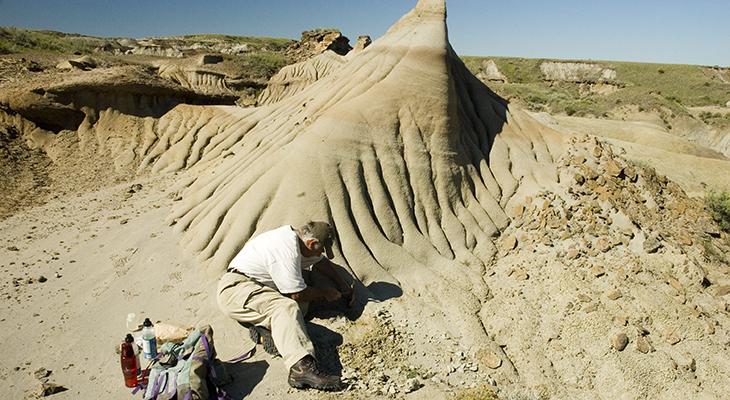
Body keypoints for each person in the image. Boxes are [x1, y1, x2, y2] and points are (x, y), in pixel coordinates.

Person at [217, 221, 353, 391]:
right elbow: (296, 294)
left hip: (255, 288)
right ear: (311, 243)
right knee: (287, 308)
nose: (321, 253)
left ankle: (265, 329)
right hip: (236, 290)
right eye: (321, 249)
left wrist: (343, 285)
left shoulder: (297, 240)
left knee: (298, 309)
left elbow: (320, 262)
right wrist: (325, 293)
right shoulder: (286, 250)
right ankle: (300, 368)